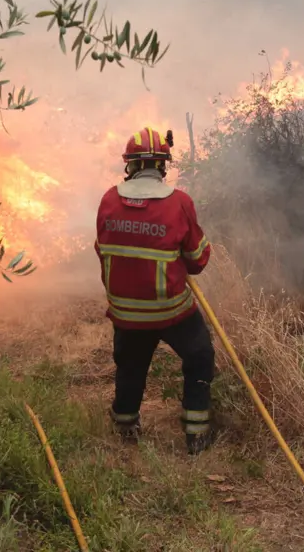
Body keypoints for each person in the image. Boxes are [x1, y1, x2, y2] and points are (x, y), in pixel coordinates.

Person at [94, 126, 216, 455]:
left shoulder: (108, 200)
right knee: (200, 356)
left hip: (125, 312)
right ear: (162, 165)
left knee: (130, 367)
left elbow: (102, 249)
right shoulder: (179, 203)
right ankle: (196, 434)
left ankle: (125, 426)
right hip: (170, 310)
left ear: (130, 165)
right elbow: (198, 260)